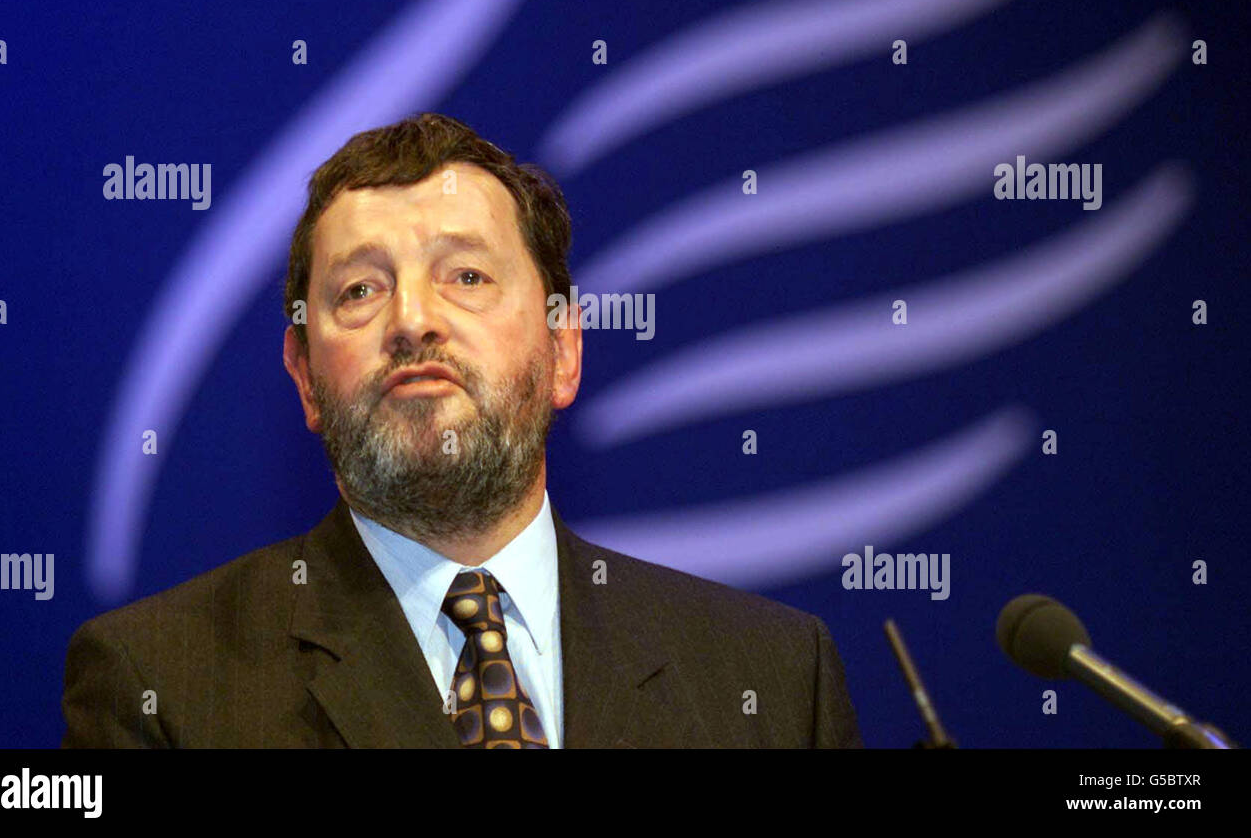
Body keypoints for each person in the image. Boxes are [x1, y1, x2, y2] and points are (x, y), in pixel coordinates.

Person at [60, 112, 862, 748]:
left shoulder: (775, 679)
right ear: (304, 376)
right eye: (361, 290)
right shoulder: (159, 681)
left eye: (467, 276)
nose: (413, 320)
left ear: (563, 349)